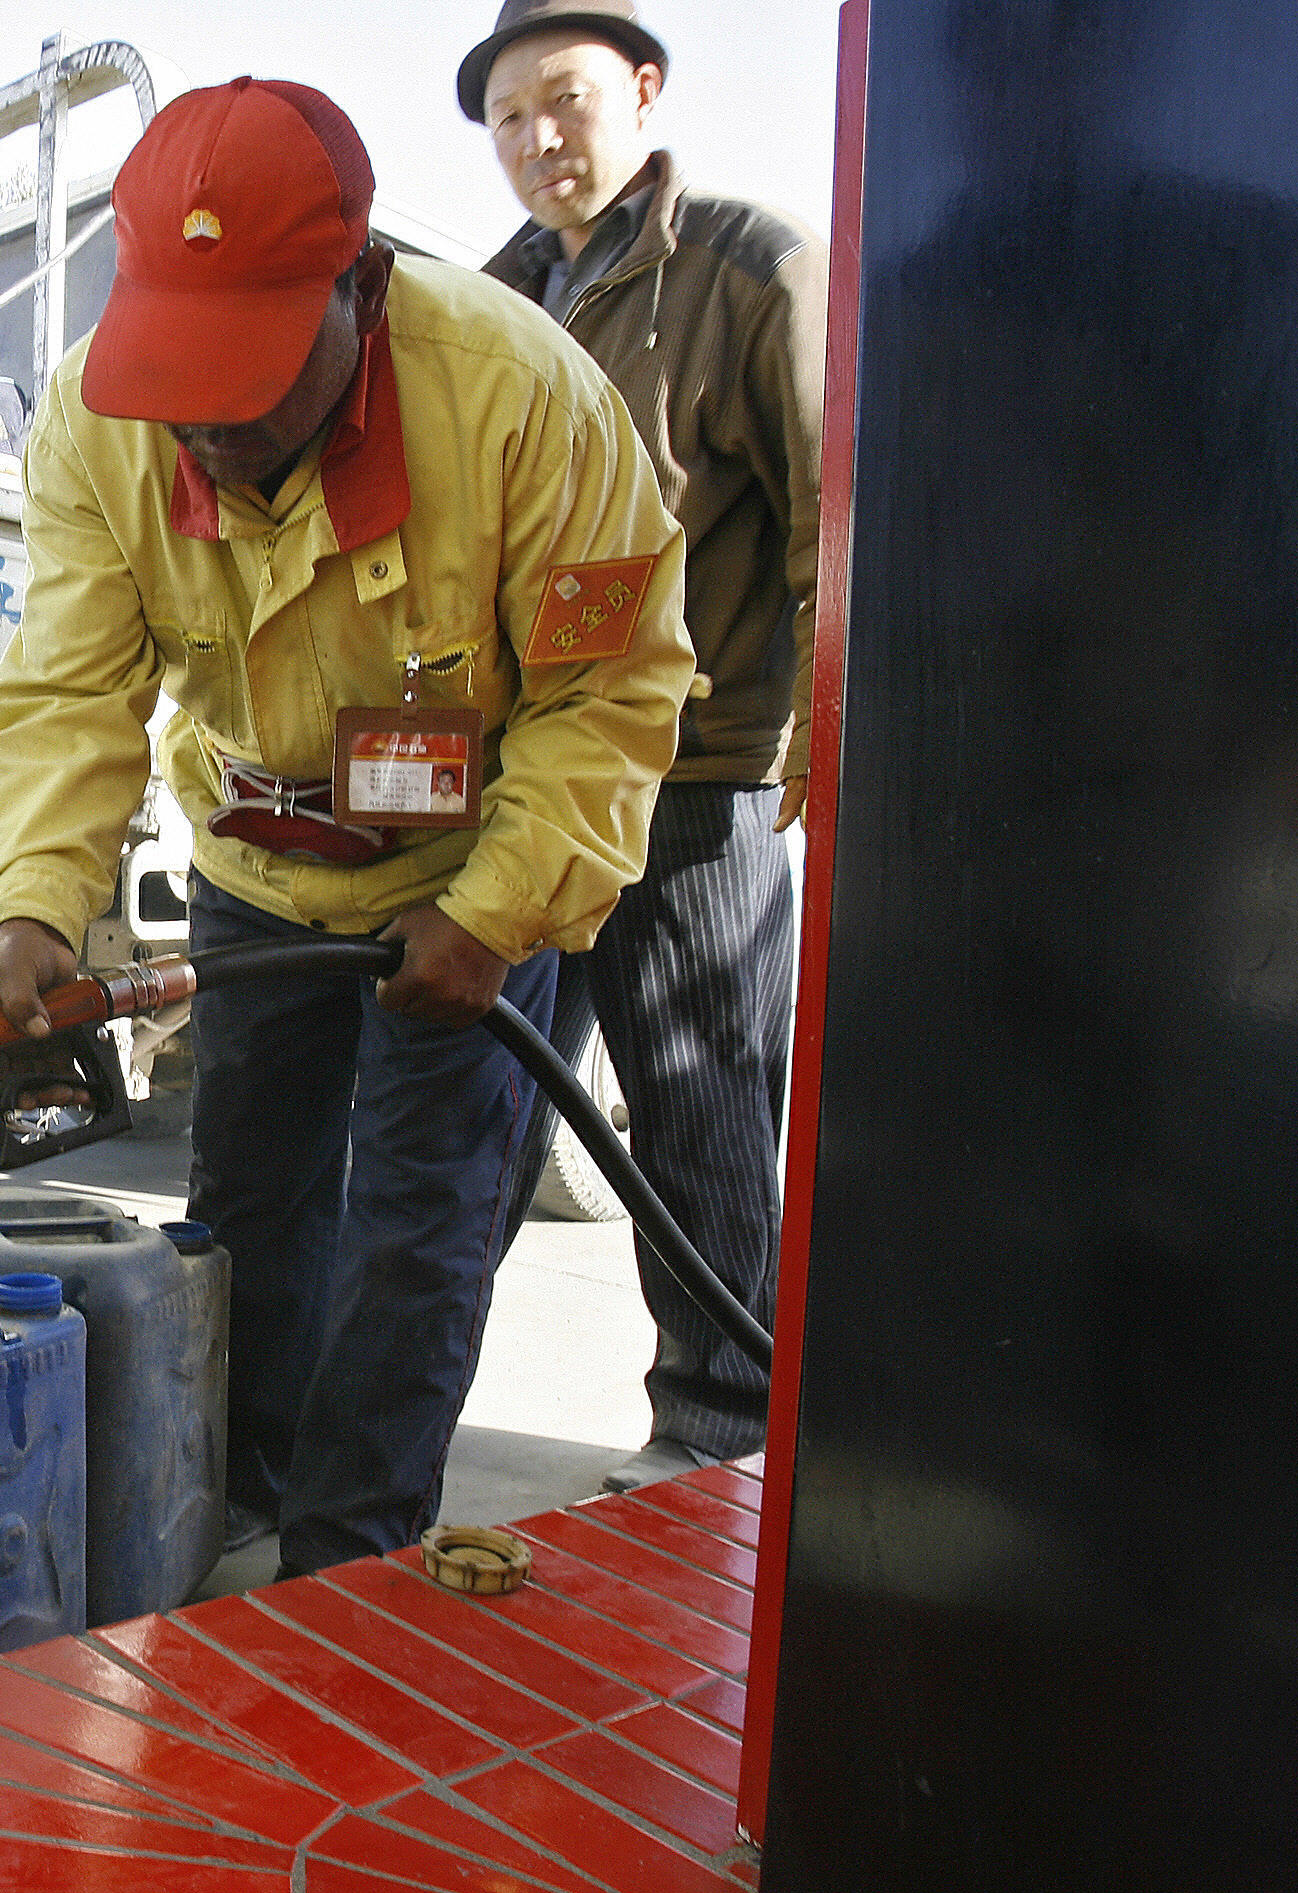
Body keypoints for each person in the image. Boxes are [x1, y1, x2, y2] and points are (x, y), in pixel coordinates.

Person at [0, 78, 693, 1575]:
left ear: (359, 287)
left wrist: (497, 913)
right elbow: (68, 686)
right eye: (184, 378)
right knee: (244, 1220)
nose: (214, 434)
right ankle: (231, 1509)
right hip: (254, 872)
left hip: (461, 884)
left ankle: (347, 1571)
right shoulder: (100, 423)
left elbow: (607, 695)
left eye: (251, 377)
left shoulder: (525, 402)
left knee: (416, 1241)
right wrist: (34, 902)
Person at [464, 0, 825, 1490]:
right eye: (506, 118)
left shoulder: (745, 265)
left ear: (645, 87)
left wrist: (831, 720)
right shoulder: (487, 301)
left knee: (703, 1120)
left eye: (566, 99)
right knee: (470, 1127)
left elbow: (831, 505)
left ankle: (720, 1440)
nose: (541, 139)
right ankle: (389, 1421)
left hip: (695, 781)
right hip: (525, 791)